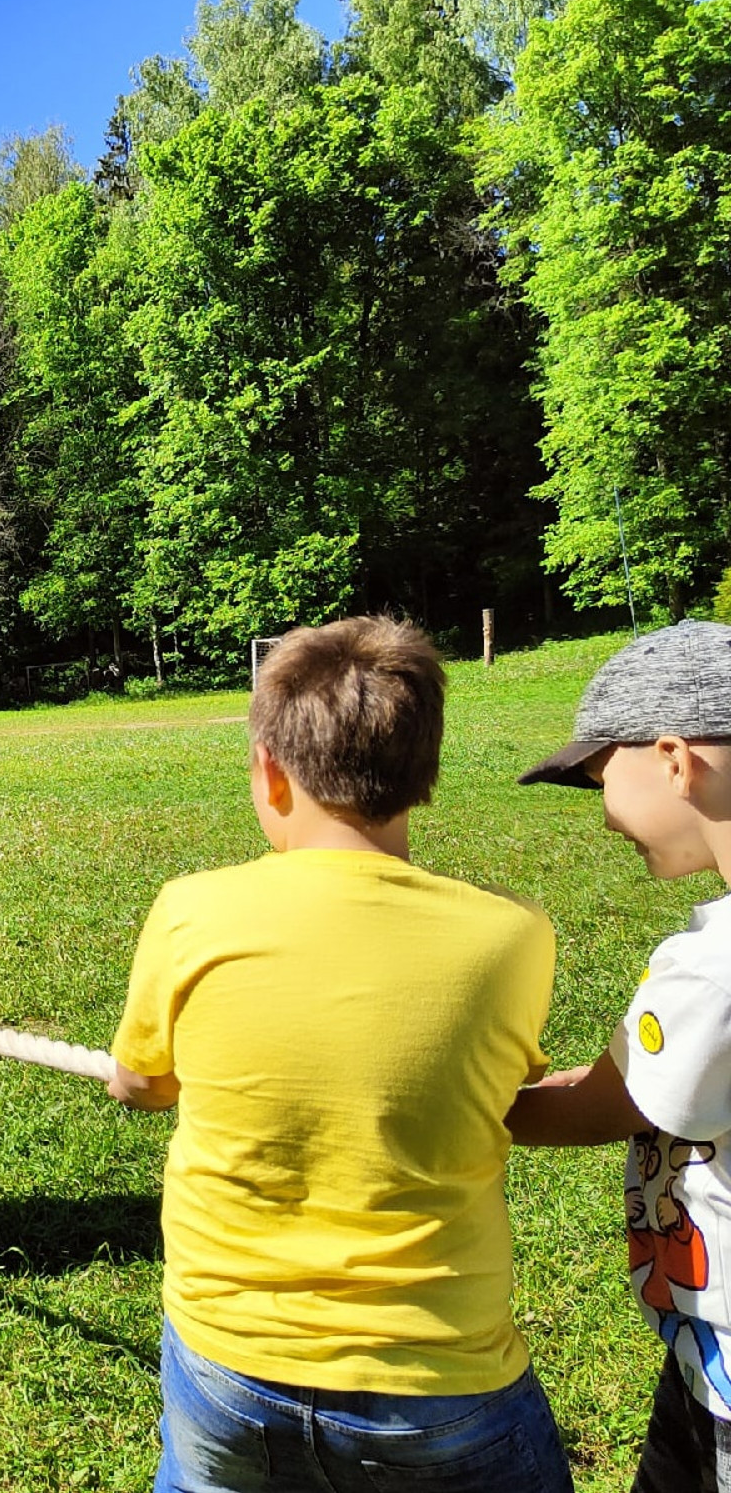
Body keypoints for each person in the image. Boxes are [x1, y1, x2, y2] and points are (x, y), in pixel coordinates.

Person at [107, 615, 572, 1491]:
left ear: (270, 774)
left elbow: (138, 1086)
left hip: (226, 1364)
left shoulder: (189, 909)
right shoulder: (512, 937)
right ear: (425, 775)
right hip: (440, 1385)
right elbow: (496, 1089)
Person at [508, 620, 731, 1491]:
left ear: (675, 759)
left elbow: (591, 1109)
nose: (604, 817)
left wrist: (415, 1088)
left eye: (603, 778)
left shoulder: (713, 971)